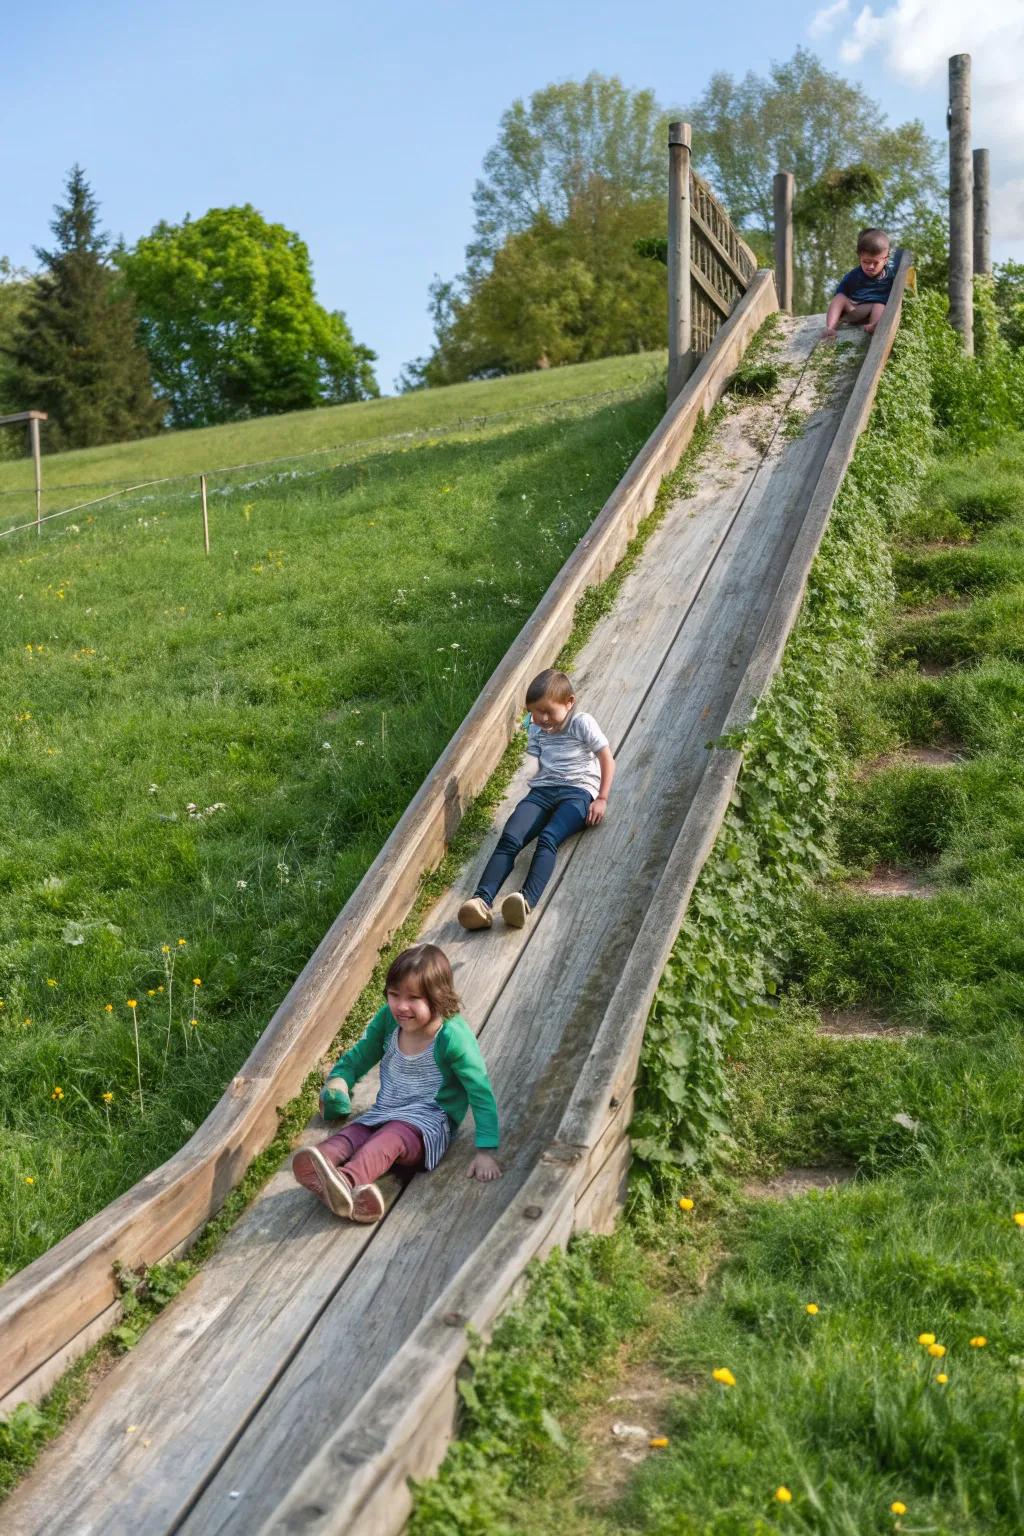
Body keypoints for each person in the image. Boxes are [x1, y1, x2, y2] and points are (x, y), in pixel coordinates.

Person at [292, 943, 501, 1223]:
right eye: (394, 995)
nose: (401, 1006)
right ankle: (322, 1164)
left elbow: (480, 1089)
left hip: (428, 1125)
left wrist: (486, 1150)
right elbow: (363, 1053)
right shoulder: (389, 1021)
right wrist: (341, 1080)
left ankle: (348, 1179)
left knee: (389, 1138)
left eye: (414, 998)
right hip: (386, 1111)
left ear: (439, 998)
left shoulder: (452, 1037)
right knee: (356, 1133)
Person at [458, 667, 615, 931]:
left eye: (547, 711)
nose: (541, 718)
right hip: (542, 792)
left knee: (548, 837)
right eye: (535, 712)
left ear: (570, 703)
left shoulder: (581, 722)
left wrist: (601, 798)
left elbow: (606, 758)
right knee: (510, 837)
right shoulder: (537, 728)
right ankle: (481, 901)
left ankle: (524, 900)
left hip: (578, 793)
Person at [823, 229, 900, 341]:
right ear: (859, 257)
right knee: (839, 297)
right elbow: (841, 293)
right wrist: (844, 310)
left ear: (885, 260)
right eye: (865, 262)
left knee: (879, 304)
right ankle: (830, 327)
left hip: (874, 313)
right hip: (855, 310)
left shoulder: (890, 276)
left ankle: (873, 326)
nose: (870, 267)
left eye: (875, 262)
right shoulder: (854, 276)